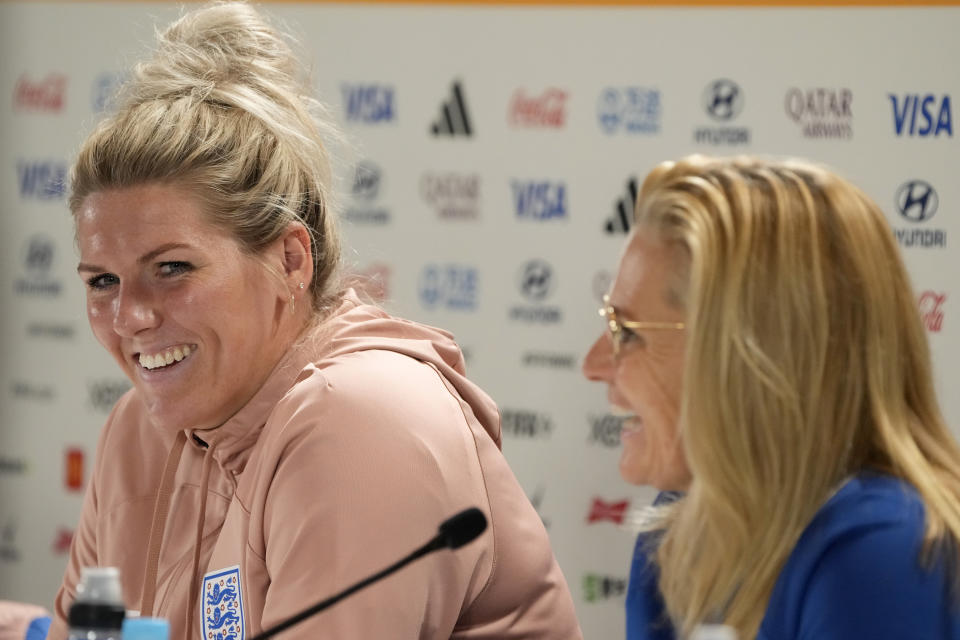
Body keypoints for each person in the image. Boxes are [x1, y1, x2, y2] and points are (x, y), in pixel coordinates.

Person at [48, 3, 582, 638]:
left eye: (171, 268)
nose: (130, 316)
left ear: (290, 259)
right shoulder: (138, 428)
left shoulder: (361, 417)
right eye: (102, 281)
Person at [582, 155, 960, 639]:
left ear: (748, 352)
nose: (592, 365)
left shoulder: (880, 548)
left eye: (627, 332)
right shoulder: (677, 531)